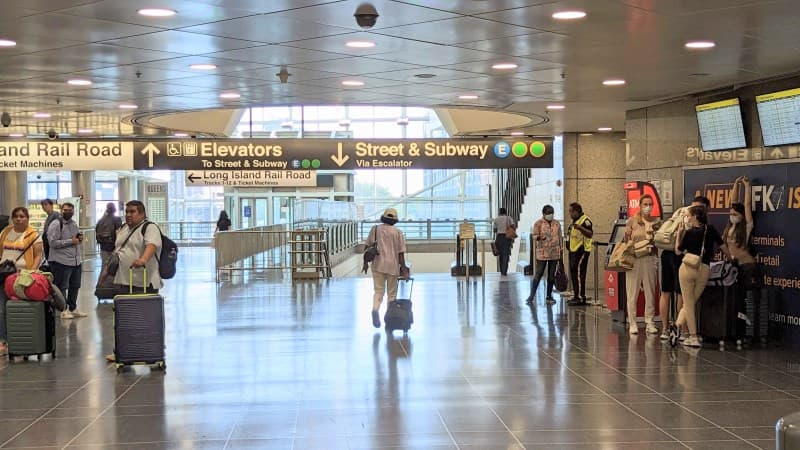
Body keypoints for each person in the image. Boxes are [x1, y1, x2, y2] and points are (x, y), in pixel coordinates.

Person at [106, 200, 163, 362]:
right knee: (124, 319)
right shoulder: (124, 228)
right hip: (124, 280)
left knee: (145, 319)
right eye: (127, 212)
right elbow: (118, 250)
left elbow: (151, 245)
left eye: (133, 212)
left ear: (142, 213)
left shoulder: (149, 227)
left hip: (144, 281)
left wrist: (143, 259)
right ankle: (122, 352)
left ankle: (149, 351)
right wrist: (106, 270)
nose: (129, 215)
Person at [675, 205, 728, 347]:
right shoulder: (710, 230)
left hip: (687, 268)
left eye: (689, 215)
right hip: (704, 269)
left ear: (695, 217)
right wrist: (730, 257)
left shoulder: (689, 232)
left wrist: (679, 234)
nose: (687, 217)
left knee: (688, 303)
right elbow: (722, 246)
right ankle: (678, 324)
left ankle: (692, 336)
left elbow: (678, 252)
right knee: (691, 302)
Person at [658, 196, 710, 339]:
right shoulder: (697, 222)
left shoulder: (679, 212)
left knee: (666, 292)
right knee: (683, 295)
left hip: (665, 254)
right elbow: (680, 249)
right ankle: (684, 330)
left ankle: (665, 329)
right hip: (682, 258)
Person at [0, 207, 44, 356]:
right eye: (16, 216)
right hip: (4, 275)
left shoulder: (33, 235)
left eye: (22, 216)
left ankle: (21, 340)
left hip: (21, 277)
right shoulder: (5, 232)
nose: (18, 219)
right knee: (2, 308)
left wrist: (30, 272)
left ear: (27, 218)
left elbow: (38, 255)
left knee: (19, 309)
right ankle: (3, 340)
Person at [623, 195, 659, 335]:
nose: (648, 206)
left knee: (650, 291)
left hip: (649, 259)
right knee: (632, 292)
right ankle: (632, 322)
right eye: (645, 204)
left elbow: (659, 242)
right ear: (640, 204)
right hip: (634, 259)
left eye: (650, 204)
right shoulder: (632, 221)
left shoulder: (656, 221)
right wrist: (627, 235)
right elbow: (626, 242)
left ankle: (649, 321)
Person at [366, 208, 408, 329]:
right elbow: (400, 253)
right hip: (392, 266)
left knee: (378, 291)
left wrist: (365, 261)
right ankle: (390, 318)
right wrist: (404, 269)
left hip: (377, 265)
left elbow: (367, 246)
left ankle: (375, 309)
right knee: (391, 294)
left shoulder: (375, 229)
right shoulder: (398, 232)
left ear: (383, 217)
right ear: (395, 220)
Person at [48, 202, 86, 319]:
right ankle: (63, 310)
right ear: (61, 211)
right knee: (62, 286)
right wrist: (71, 241)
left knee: (75, 285)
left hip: (75, 261)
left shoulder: (74, 224)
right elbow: (52, 243)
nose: (68, 212)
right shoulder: (56, 224)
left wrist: (79, 239)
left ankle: (73, 308)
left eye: (70, 210)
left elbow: (76, 240)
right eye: (65, 210)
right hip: (61, 261)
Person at [526, 205, 562, 306]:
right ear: (544, 214)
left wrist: (561, 249)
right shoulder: (538, 223)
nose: (550, 214)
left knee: (551, 275)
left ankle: (549, 296)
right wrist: (539, 237)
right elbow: (534, 236)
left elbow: (560, 236)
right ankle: (532, 295)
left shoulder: (557, 223)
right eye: (548, 212)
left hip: (554, 252)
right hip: (542, 252)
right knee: (539, 273)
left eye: (552, 212)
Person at [567, 202, 593, 306]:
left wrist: (580, 228)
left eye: (571, 211)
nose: (570, 213)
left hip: (582, 251)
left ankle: (581, 297)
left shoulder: (585, 221)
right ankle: (576, 295)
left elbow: (590, 234)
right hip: (573, 251)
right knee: (573, 273)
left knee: (579, 273)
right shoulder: (574, 222)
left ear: (577, 211)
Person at [95, 202, 122, 271]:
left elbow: (97, 231)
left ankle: (101, 281)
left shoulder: (100, 220)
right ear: (114, 209)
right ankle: (108, 281)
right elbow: (118, 233)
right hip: (113, 246)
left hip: (103, 246)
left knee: (104, 266)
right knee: (114, 267)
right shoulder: (117, 219)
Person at [493, 208, 516, 276]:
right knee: (506, 253)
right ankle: (504, 271)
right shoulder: (509, 218)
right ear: (505, 212)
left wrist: (499, 229)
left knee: (500, 254)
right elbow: (513, 226)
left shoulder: (496, 219)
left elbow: (494, 230)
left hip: (499, 237)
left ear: (499, 212)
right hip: (507, 237)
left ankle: (501, 270)